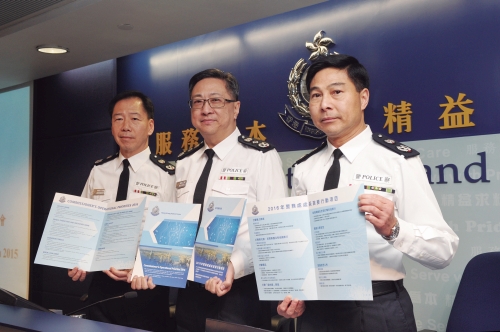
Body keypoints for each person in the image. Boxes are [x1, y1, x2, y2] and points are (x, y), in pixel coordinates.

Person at [277, 54, 459, 332]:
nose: (325, 104)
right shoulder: (304, 168)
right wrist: (294, 291)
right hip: (316, 312)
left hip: (378, 308)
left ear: (363, 98)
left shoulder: (397, 160)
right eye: (315, 95)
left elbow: (443, 251)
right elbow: (300, 245)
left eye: (336, 92)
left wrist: (394, 228)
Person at [131, 68, 288, 332]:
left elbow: (274, 228)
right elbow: (170, 223)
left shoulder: (260, 156)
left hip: (239, 292)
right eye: (198, 101)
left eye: (216, 100)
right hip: (189, 294)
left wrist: (233, 266)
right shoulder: (184, 162)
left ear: (235, 108)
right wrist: (146, 265)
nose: (206, 109)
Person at [68, 90, 176, 331]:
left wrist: (140, 266)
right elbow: (84, 225)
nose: (125, 126)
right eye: (118, 119)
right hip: (101, 287)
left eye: (134, 119)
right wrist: (81, 258)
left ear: (150, 126)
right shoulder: (99, 170)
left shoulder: (167, 175)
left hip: (146, 287)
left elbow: (173, 237)